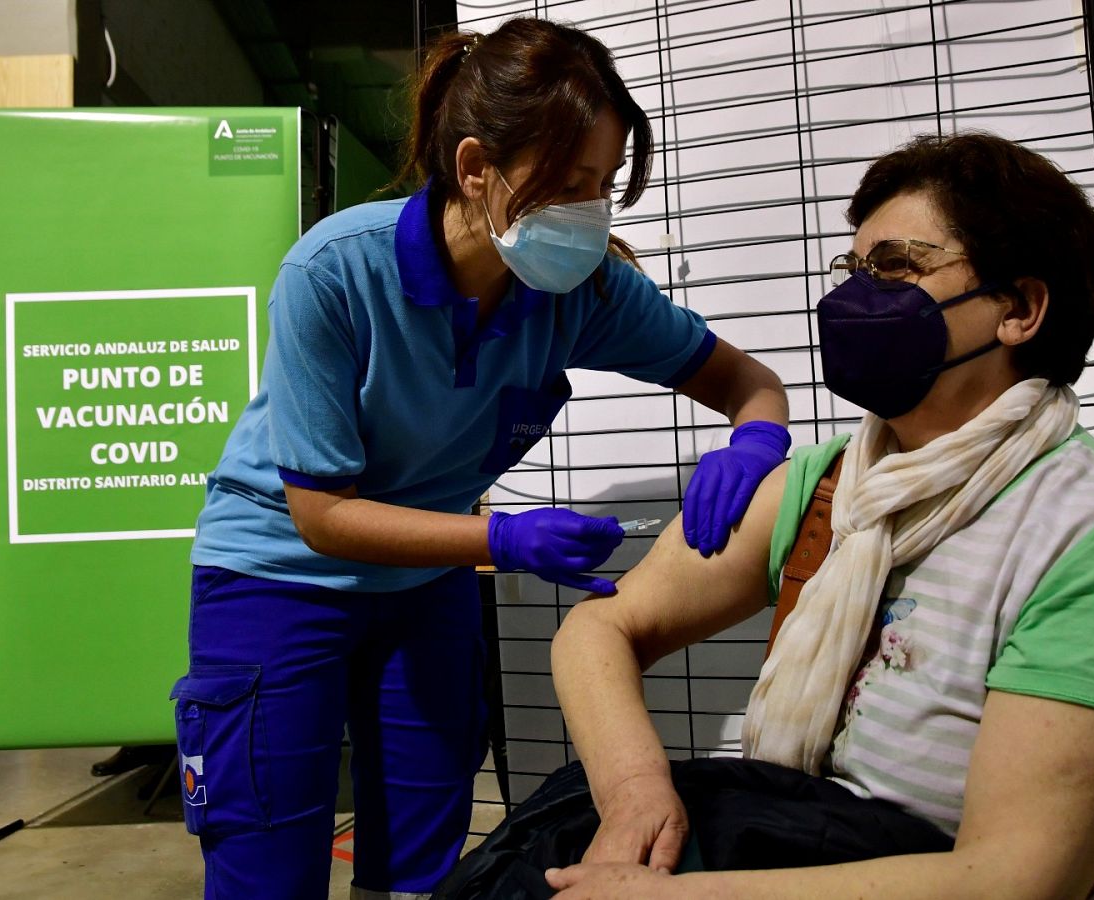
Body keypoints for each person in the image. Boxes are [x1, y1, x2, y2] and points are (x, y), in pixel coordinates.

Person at [172, 17, 791, 900]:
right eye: (570, 183)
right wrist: (500, 538)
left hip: (425, 588)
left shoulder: (582, 291)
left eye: (605, 183)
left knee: (426, 861)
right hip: (277, 575)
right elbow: (321, 515)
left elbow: (751, 384)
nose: (592, 210)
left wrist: (755, 441)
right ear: (474, 168)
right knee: (265, 858)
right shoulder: (334, 274)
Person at [531, 133, 1094, 898]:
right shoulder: (826, 489)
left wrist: (673, 897)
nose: (853, 297)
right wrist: (632, 790)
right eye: (852, 269)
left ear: (1018, 308)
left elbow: (1015, 881)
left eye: (894, 268)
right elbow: (600, 627)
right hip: (814, 851)